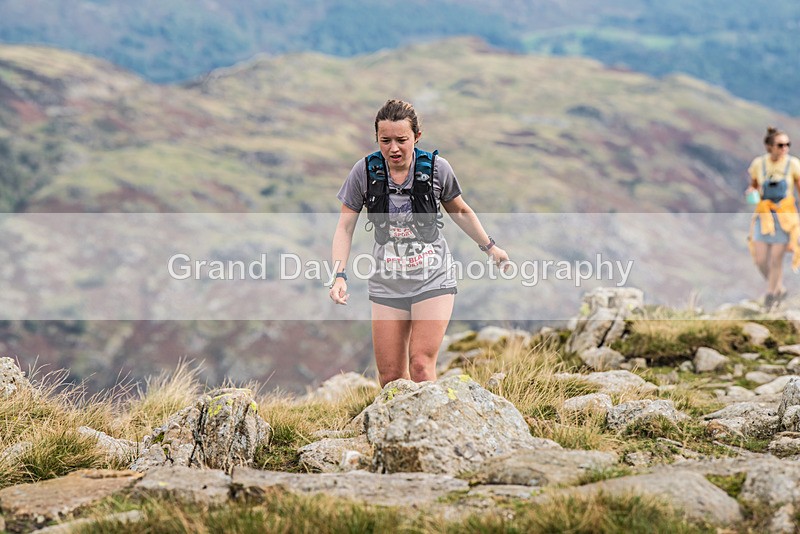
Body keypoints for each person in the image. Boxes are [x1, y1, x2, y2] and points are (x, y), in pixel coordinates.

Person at [329, 99, 509, 386]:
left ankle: (432, 429)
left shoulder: (438, 169)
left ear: (417, 137)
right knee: (390, 377)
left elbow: (460, 210)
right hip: (387, 282)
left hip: (433, 279)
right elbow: (344, 226)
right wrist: (339, 275)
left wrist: (490, 247)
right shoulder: (363, 172)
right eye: (385, 140)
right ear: (377, 138)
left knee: (421, 366)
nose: (393, 148)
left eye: (402, 140)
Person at [746, 126, 800, 310]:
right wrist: (752, 191)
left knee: (777, 259)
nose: (785, 148)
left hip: (785, 216)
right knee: (761, 259)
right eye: (780, 145)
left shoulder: (793, 164)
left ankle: (770, 298)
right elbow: (753, 184)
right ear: (769, 146)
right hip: (764, 214)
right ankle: (779, 288)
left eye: (787, 144)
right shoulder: (758, 164)